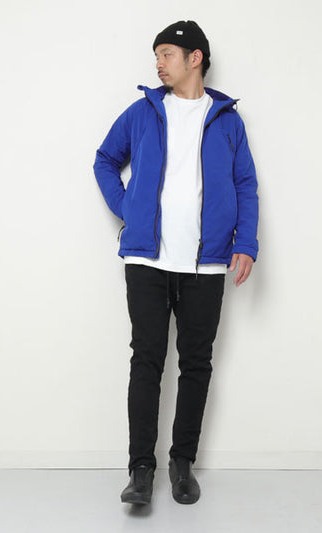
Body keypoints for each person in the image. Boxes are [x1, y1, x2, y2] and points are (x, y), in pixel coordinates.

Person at [93, 20, 259, 505]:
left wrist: (246, 241)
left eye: (166, 54)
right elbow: (105, 159)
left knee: (196, 364)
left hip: (207, 265)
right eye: (157, 55)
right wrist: (128, 208)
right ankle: (140, 470)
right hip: (147, 260)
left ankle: (182, 462)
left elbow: (245, 184)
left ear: (195, 58)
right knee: (146, 361)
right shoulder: (144, 112)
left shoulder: (226, 120)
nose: (158, 64)